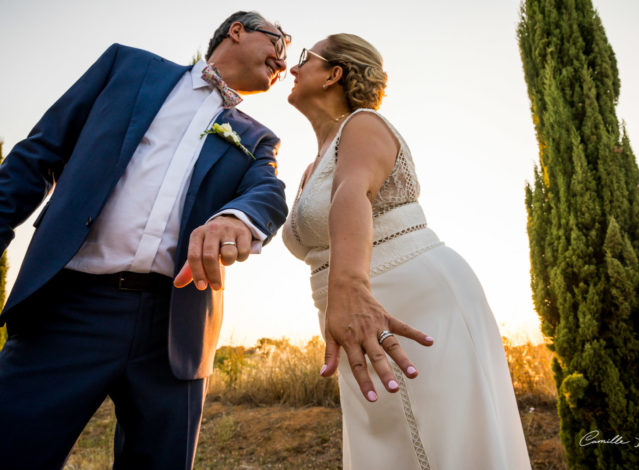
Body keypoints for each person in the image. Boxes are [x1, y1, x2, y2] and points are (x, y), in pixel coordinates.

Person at [0, 11, 289, 470]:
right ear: (237, 30)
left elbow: (268, 192)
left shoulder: (257, 138)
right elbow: (38, 155)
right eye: (280, 41)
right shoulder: (127, 67)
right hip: (68, 310)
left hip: (176, 329)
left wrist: (237, 216)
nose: (284, 59)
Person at [283, 34, 532, 469]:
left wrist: (351, 287)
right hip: (353, 315)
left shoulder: (363, 125)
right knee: (389, 445)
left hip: (413, 300)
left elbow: (352, 194)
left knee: (442, 442)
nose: (292, 67)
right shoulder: (309, 168)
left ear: (334, 74)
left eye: (305, 57)